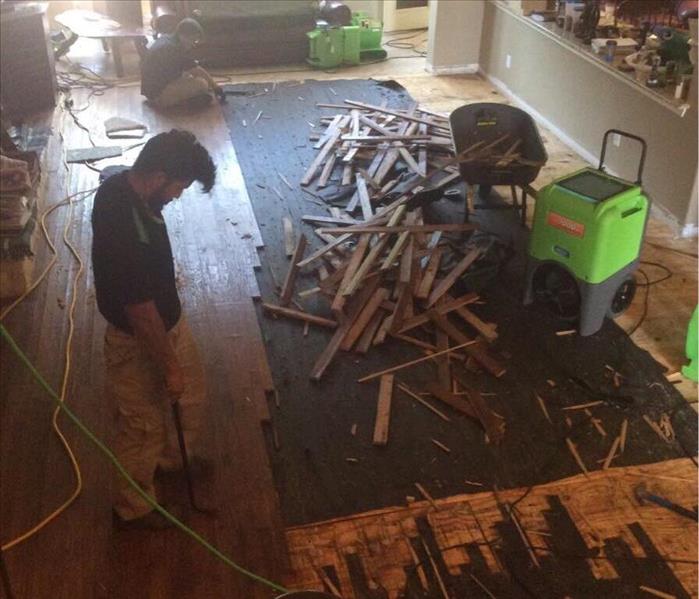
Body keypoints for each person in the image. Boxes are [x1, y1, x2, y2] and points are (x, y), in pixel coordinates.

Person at [91, 130, 216, 529]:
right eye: (180, 185)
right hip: (137, 339)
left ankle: (171, 461)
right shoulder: (124, 231)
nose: (179, 195)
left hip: (168, 323)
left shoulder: (125, 186)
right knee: (141, 425)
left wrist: (178, 370)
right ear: (160, 175)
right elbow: (142, 315)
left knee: (190, 396)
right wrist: (170, 368)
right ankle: (134, 507)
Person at [141, 18, 222, 108]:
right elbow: (197, 70)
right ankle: (183, 103)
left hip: (151, 90)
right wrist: (216, 87)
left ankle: (186, 98)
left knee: (189, 76)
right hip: (158, 95)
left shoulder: (167, 39)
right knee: (202, 83)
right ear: (183, 36)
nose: (194, 44)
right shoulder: (174, 49)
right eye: (193, 40)